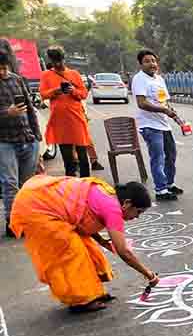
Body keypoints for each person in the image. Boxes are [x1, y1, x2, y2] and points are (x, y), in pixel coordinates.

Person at [9, 175, 159, 313]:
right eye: (138, 212)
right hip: (38, 208)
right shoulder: (113, 209)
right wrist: (149, 275)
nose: (137, 217)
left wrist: (101, 240)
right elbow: (124, 252)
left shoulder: (109, 194)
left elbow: (80, 217)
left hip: (41, 199)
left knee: (88, 248)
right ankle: (80, 301)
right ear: (127, 204)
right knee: (71, 254)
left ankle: (92, 292)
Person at [0, 50, 42, 238]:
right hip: (4, 141)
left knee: (26, 184)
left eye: (4, 68)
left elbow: (30, 108)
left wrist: (36, 135)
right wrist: (6, 113)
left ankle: (25, 218)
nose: (2, 72)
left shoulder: (17, 80)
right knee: (10, 184)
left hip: (26, 138)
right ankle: (13, 223)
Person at [131, 49, 181, 202]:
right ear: (140, 64)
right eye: (147, 61)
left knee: (171, 155)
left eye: (153, 60)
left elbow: (164, 101)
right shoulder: (139, 79)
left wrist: (174, 115)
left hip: (164, 124)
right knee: (158, 157)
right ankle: (160, 190)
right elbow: (142, 103)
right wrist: (164, 110)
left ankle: (169, 183)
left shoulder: (159, 79)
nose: (152, 64)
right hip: (150, 126)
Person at [40, 46, 91, 178]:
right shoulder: (46, 75)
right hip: (59, 121)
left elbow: (84, 93)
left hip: (76, 118)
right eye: (54, 61)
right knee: (68, 159)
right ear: (50, 60)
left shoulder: (74, 74)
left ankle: (86, 183)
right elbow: (43, 94)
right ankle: (71, 185)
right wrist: (55, 91)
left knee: (82, 155)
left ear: (64, 59)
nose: (57, 64)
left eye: (59, 60)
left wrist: (73, 91)